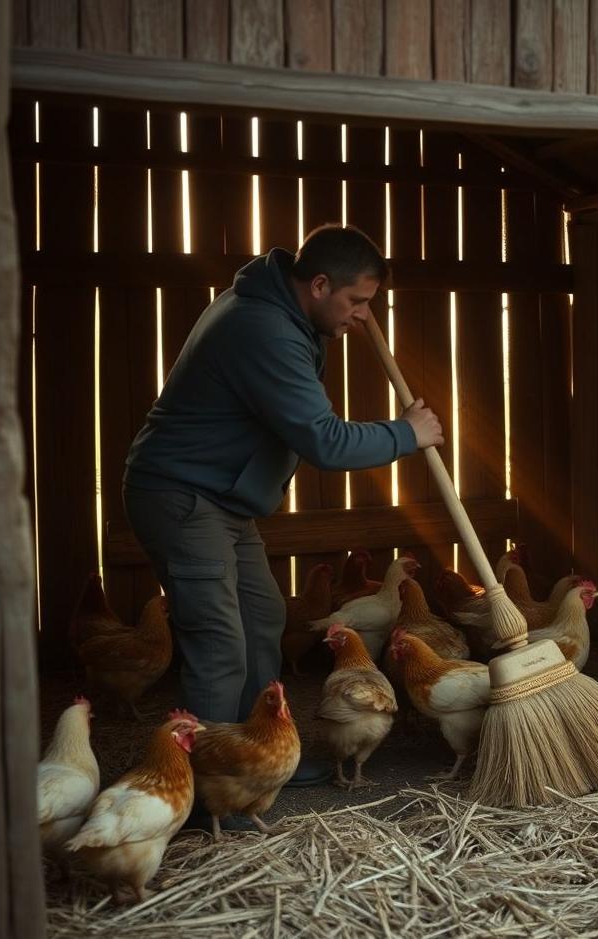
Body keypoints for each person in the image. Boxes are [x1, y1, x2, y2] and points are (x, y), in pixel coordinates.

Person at [123, 225, 443, 822]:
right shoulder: (262, 328)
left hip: (221, 497)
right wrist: (406, 434)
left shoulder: (281, 312)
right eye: (356, 302)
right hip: (184, 495)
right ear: (319, 284)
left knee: (264, 615)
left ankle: (258, 761)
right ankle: (203, 798)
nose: (364, 317)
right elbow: (323, 439)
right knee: (219, 640)